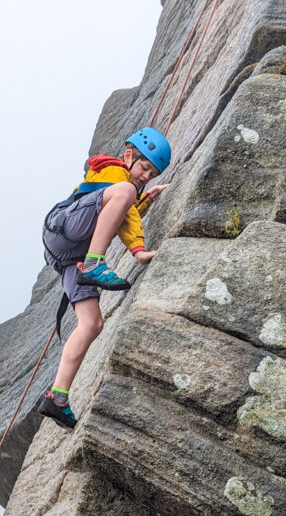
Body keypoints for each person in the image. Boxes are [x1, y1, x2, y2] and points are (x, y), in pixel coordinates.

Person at [39, 127, 171, 429]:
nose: (145, 176)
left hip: (68, 256)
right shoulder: (113, 170)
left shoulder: (125, 187)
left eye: (152, 174)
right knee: (125, 192)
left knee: (92, 323)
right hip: (63, 228)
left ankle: (57, 397)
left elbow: (121, 212)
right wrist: (138, 249)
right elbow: (122, 204)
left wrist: (145, 200)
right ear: (128, 156)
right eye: (144, 167)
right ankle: (95, 263)